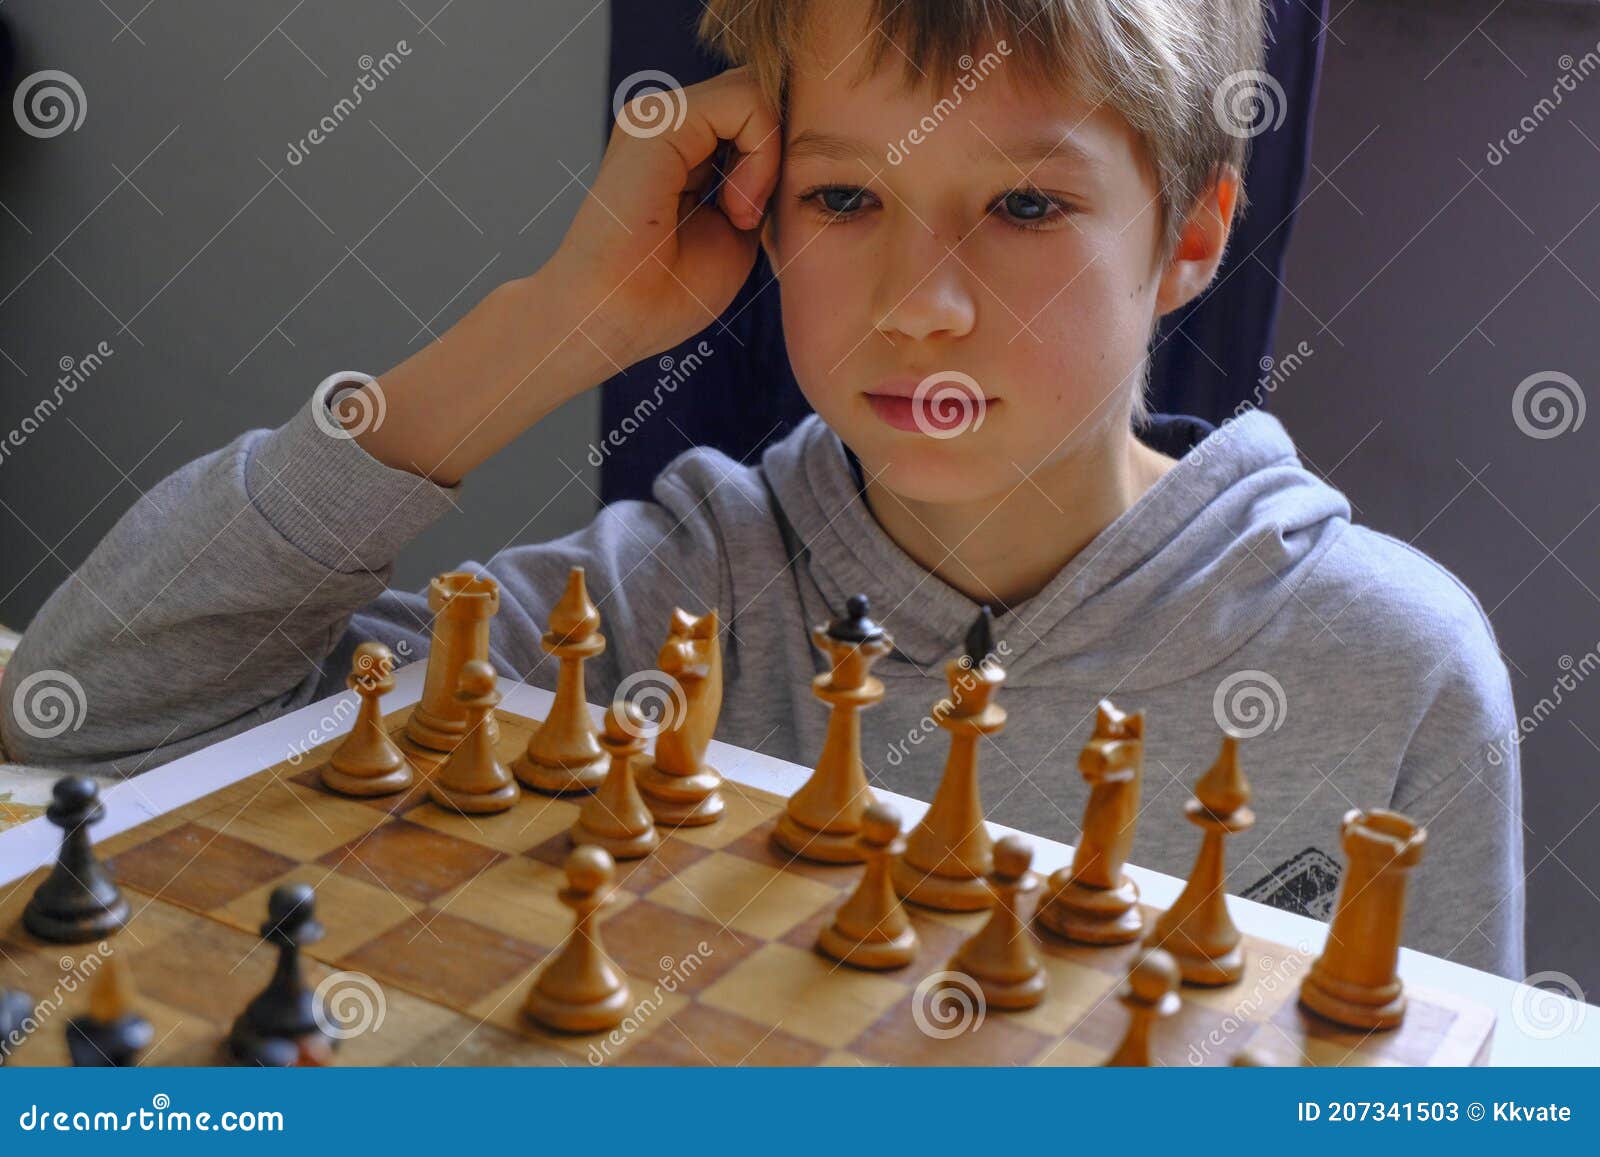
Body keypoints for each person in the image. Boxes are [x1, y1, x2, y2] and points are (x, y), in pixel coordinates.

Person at [0, 0, 1523, 977]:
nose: (920, 303)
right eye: (845, 197)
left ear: (1190, 238)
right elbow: (94, 710)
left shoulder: (1395, 671)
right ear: (758, 208)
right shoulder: (676, 585)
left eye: (1025, 205)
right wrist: (562, 317)